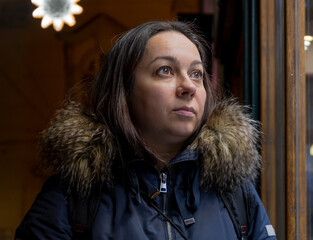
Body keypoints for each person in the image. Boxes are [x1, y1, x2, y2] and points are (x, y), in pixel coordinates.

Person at [15, 21, 276, 239]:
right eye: (165, 70)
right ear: (123, 90)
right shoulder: (73, 195)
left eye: (197, 74)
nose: (189, 86)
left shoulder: (234, 191)